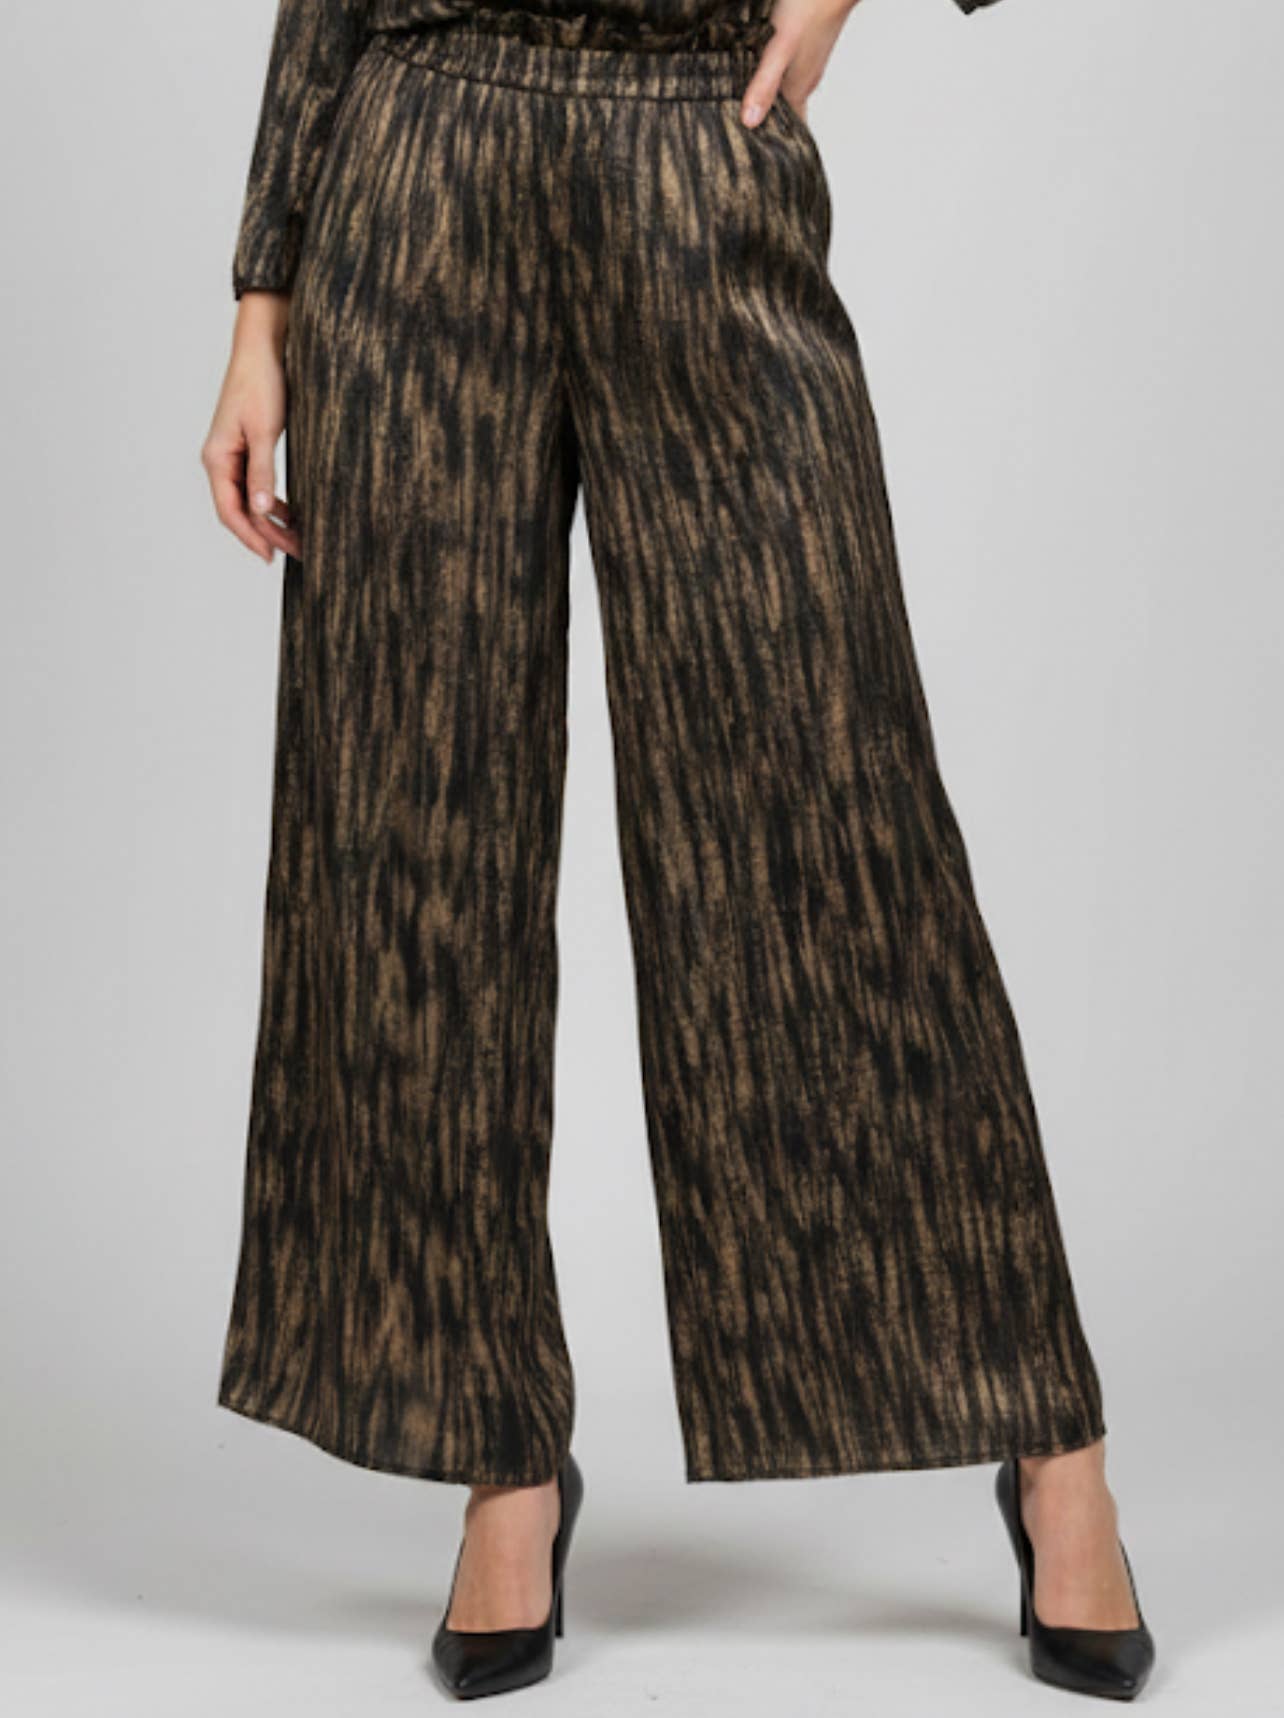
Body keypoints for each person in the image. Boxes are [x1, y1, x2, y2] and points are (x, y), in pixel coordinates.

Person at [201, 0, 1156, 1702]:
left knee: (829, 820)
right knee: (413, 837)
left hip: (692, 148)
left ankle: (1045, 1431)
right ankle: (498, 1452)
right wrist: (263, 296)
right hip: (416, 170)